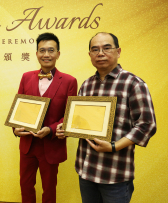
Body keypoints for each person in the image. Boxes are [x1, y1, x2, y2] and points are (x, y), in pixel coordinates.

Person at [57, 32, 156, 203]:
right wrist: (67, 127)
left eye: (106, 48)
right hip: (86, 168)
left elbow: (147, 124)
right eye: (95, 49)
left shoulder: (133, 84)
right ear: (90, 55)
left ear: (118, 51)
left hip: (114, 173)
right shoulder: (87, 85)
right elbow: (82, 121)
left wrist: (114, 146)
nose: (100, 53)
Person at [13, 32, 77, 203]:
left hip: (51, 145)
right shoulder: (26, 77)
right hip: (28, 145)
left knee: (49, 189)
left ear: (58, 54)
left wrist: (51, 129)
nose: (46, 55)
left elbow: (69, 116)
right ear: (36, 54)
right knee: (25, 185)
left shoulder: (70, 81)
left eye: (51, 50)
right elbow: (20, 108)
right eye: (42, 50)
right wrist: (15, 128)